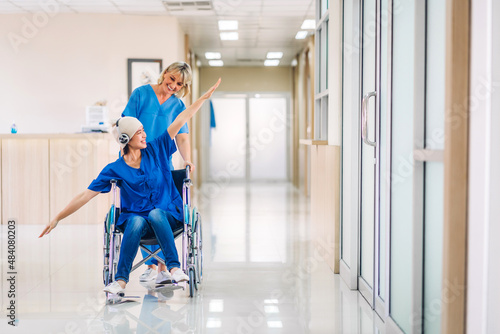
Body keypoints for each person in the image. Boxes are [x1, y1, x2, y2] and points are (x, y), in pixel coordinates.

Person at [39, 78, 221, 297]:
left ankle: (174, 267)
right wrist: (58, 217)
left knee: (155, 212)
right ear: (126, 138)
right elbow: (86, 195)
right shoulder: (114, 169)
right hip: (139, 222)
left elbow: (182, 118)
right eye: (139, 132)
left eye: (144, 131)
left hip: (168, 216)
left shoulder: (156, 149)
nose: (145, 135)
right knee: (134, 219)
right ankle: (121, 282)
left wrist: (202, 99)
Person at [122, 62, 194, 285]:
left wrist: (188, 159)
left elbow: (182, 136)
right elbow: (126, 123)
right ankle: (151, 265)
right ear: (165, 74)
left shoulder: (178, 105)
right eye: (171, 79)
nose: (173, 85)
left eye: (179, 83)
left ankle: (162, 266)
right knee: (142, 209)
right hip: (137, 162)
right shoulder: (141, 94)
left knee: (159, 210)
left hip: (163, 164)